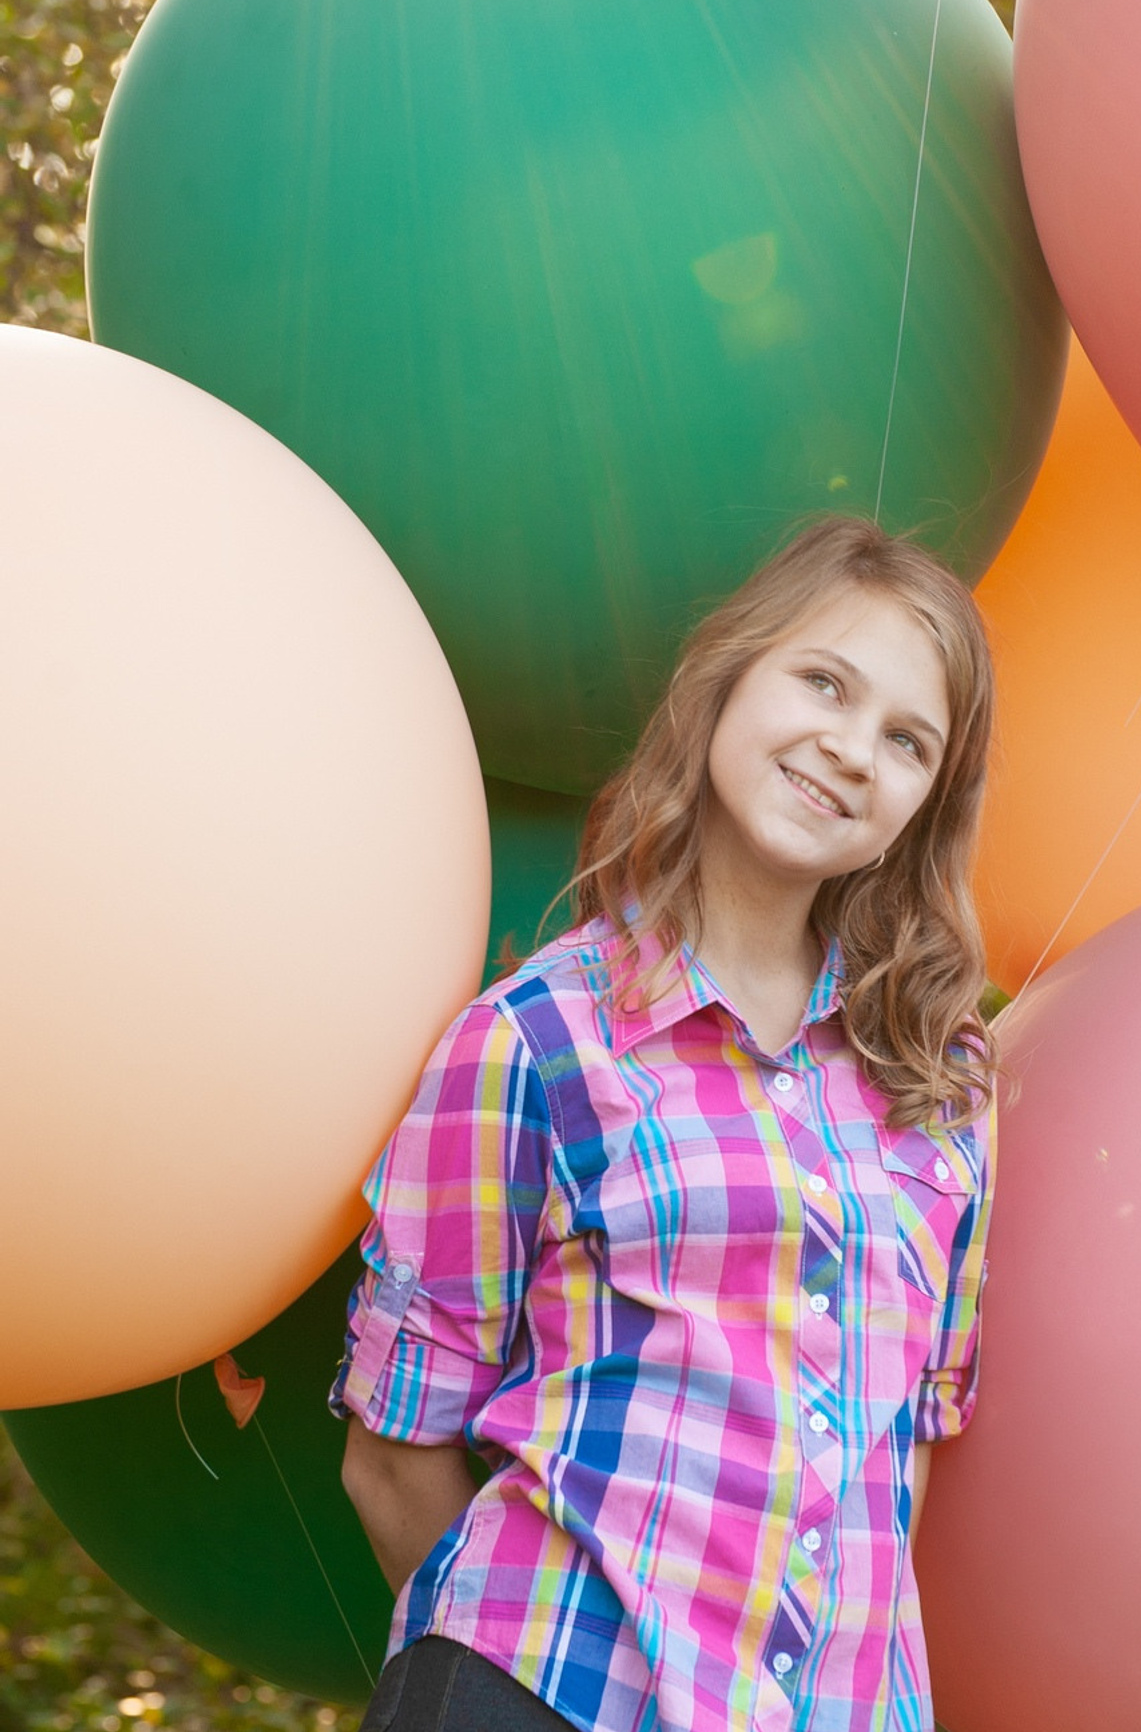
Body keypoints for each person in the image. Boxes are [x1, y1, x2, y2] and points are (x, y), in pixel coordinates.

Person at [332, 517, 999, 1732]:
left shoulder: (942, 1084)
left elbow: (906, 1455)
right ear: (728, 678)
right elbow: (390, 1459)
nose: (851, 750)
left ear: (925, 804)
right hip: (542, 1690)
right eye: (823, 682)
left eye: (907, 741)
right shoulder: (537, 1039)